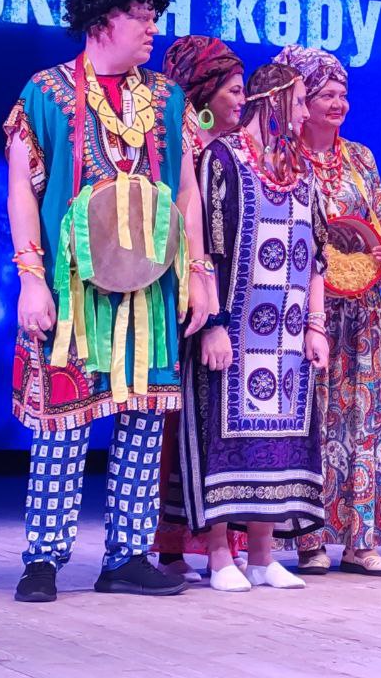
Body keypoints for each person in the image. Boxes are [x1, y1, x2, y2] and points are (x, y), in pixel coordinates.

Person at [5, 0, 210, 602]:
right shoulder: (46, 93)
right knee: (62, 424)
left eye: (154, 17)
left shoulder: (168, 100)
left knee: (145, 421)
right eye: (140, 16)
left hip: (150, 290)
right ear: (101, 19)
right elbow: (22, 189)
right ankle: (43, 559)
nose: (152, 29)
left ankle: (126, 555)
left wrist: (199, 273)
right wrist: (30, 278)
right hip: (71, 292)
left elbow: (187, 192)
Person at [174, 63, 331, 593]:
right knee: (221, 440)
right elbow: (207, 247)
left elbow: (318, 258)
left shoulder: (303, 171)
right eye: (301, 101)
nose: (306, 113)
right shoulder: (222, 159)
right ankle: (220, 555)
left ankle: (263, 557)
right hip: (234, 333)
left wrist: (315, 326)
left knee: (280, 445)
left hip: (286, 340)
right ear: (276, 100)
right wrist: (213, 323)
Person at [275, 45, 381, 577]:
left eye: (342, 94)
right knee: (312, 420)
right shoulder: (284, 158)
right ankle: (308, 540)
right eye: (325, 94)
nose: (338, 103)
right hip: (310, 313)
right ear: (301, 101)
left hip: (364, 314)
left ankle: (359, 539)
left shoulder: (361, 159)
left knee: (363, 422)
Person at [153, 35, 246, 582]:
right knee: (178, 422)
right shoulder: (182, 146)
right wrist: (207, 309)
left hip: (228, 301)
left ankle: (218, 541)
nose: (243, 99)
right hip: (185, 299)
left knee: (220, 422)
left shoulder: (235, 150)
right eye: (233, 89)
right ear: (206, 91)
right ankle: (172, 545)